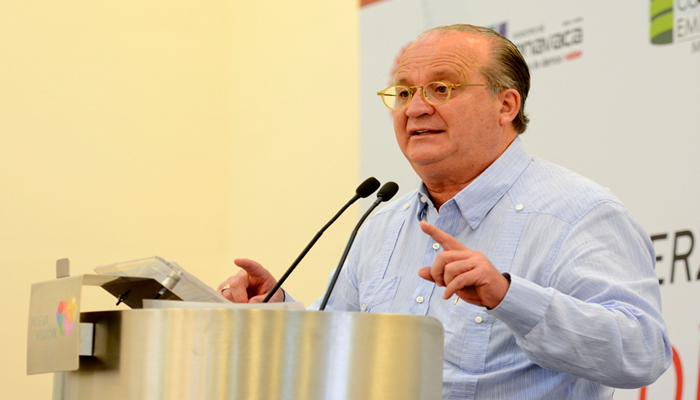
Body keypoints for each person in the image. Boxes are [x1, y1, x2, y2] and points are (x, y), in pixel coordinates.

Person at [218, 24, 671, 399]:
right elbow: (335, 341)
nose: (415, 108)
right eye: (403, 92)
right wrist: (276, 308)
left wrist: (507, 297)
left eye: (441, 88)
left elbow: (642, 351)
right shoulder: (381, 224)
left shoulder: (579, 212)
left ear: (506, 105)